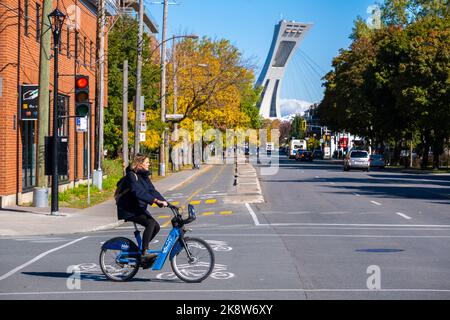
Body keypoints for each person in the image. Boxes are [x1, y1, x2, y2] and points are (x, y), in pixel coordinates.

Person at [117, 154, 168, 261]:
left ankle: (143, 249)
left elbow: (152, 191)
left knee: (156, 227)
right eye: (147, 162)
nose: (149, 164)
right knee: (150, 223)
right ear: (139, 164)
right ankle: (144, 252)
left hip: (137, 208)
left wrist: (166, 202)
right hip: (128, 209)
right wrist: (155, 201)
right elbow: (138, 192)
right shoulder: (131, 176)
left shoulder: (144, 176)